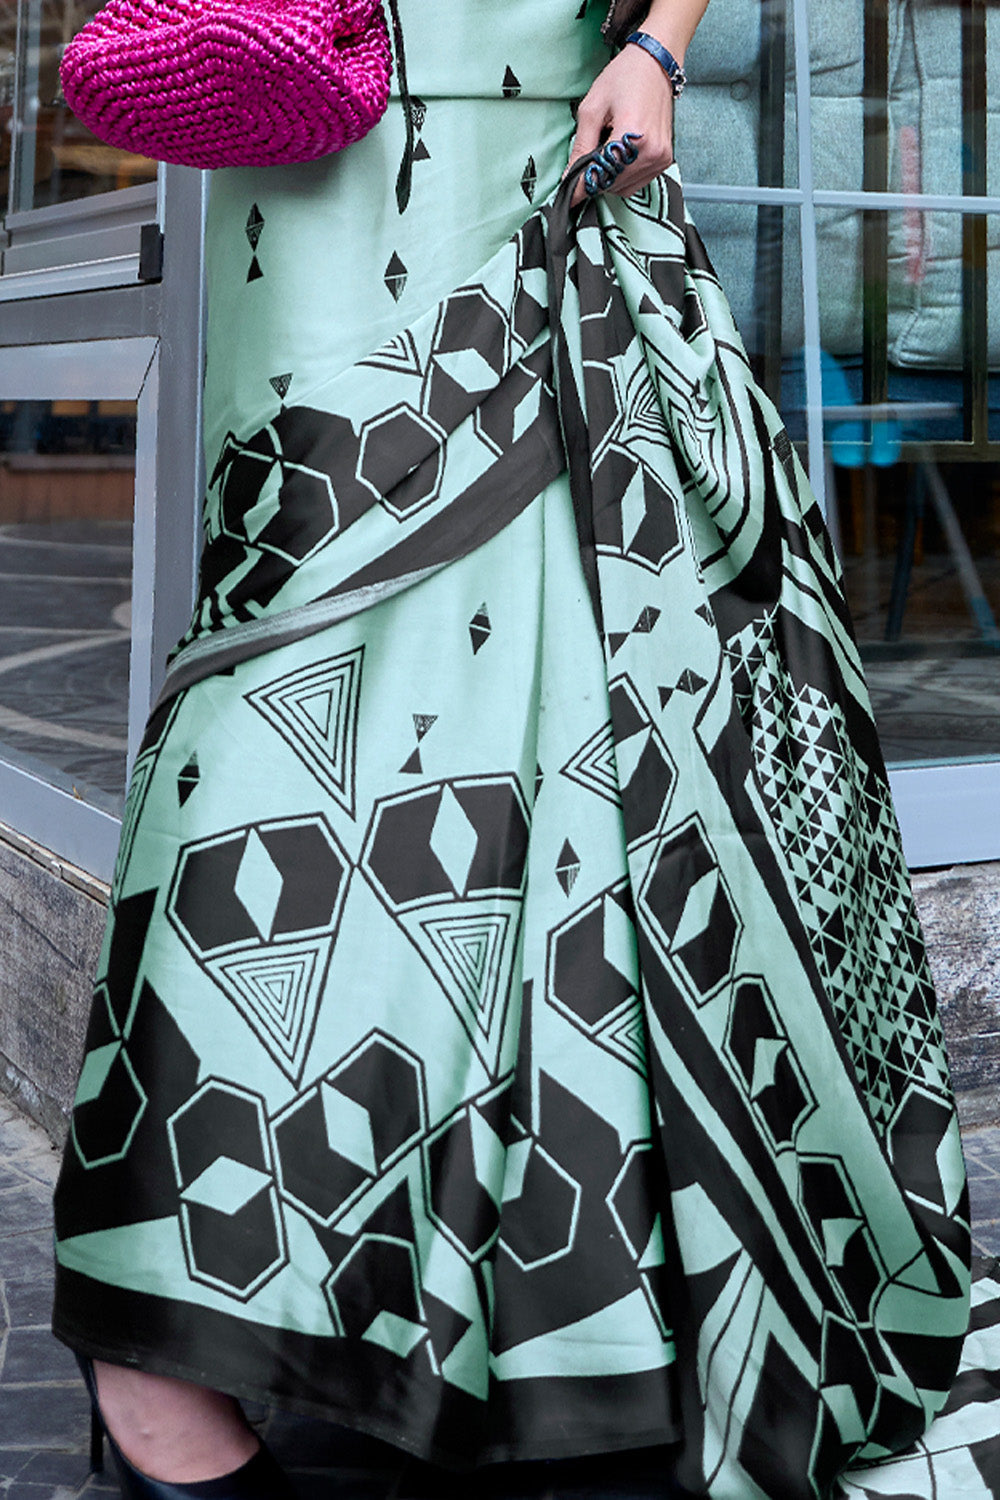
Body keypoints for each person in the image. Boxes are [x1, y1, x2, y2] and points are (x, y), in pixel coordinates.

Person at [51, 1, 975, 1496]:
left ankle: (558, 1313)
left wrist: (661, 48)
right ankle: (157, 1346)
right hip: (320, 183)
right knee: (285, 710)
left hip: (561, 172)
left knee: (566, 728)